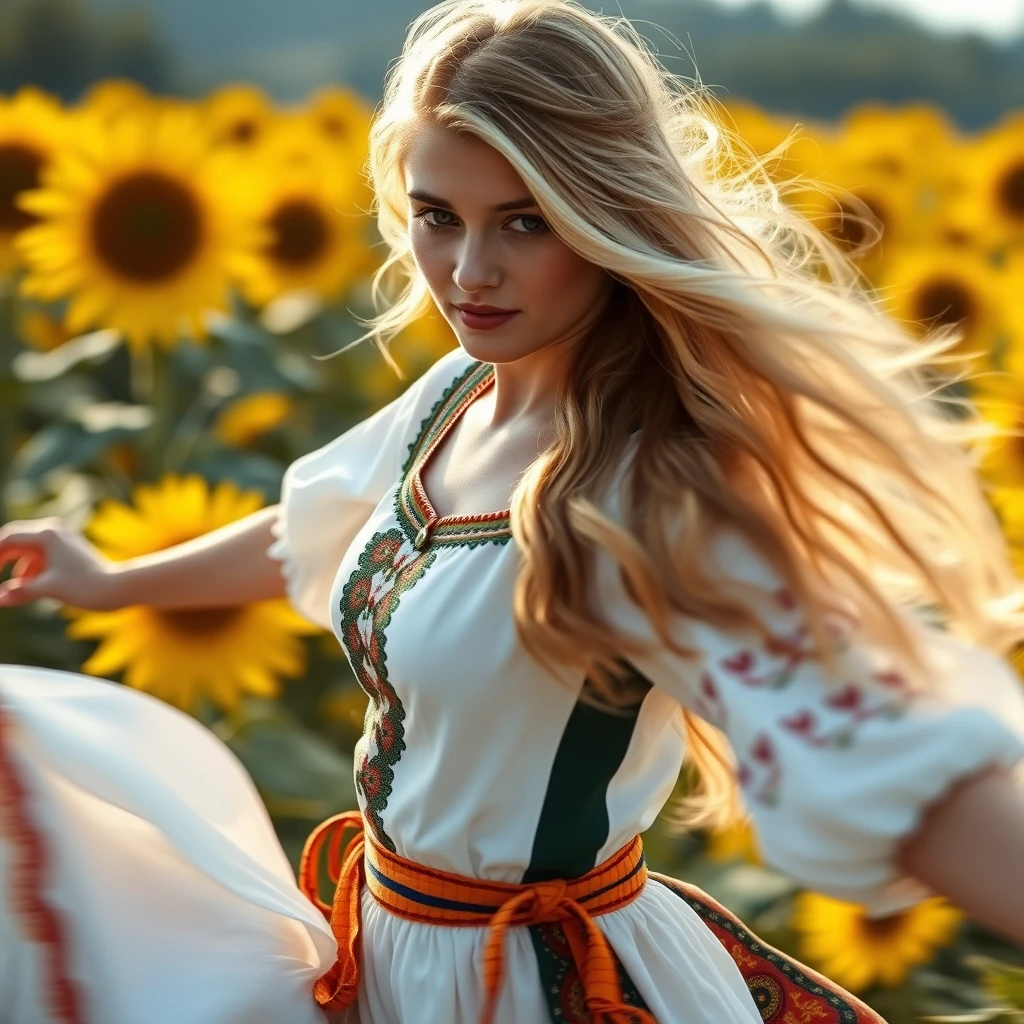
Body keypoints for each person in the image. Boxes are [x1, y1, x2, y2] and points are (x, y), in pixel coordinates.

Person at [2, 0, 1024, 1021]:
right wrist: (114, 579)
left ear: (609, 216)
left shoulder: (648, 497)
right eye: (438, 215)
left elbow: (884, 752)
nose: (468, 271)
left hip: (531, 986)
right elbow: (310, 532)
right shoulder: (455, 396)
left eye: (525, 221)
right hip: (388, 950)